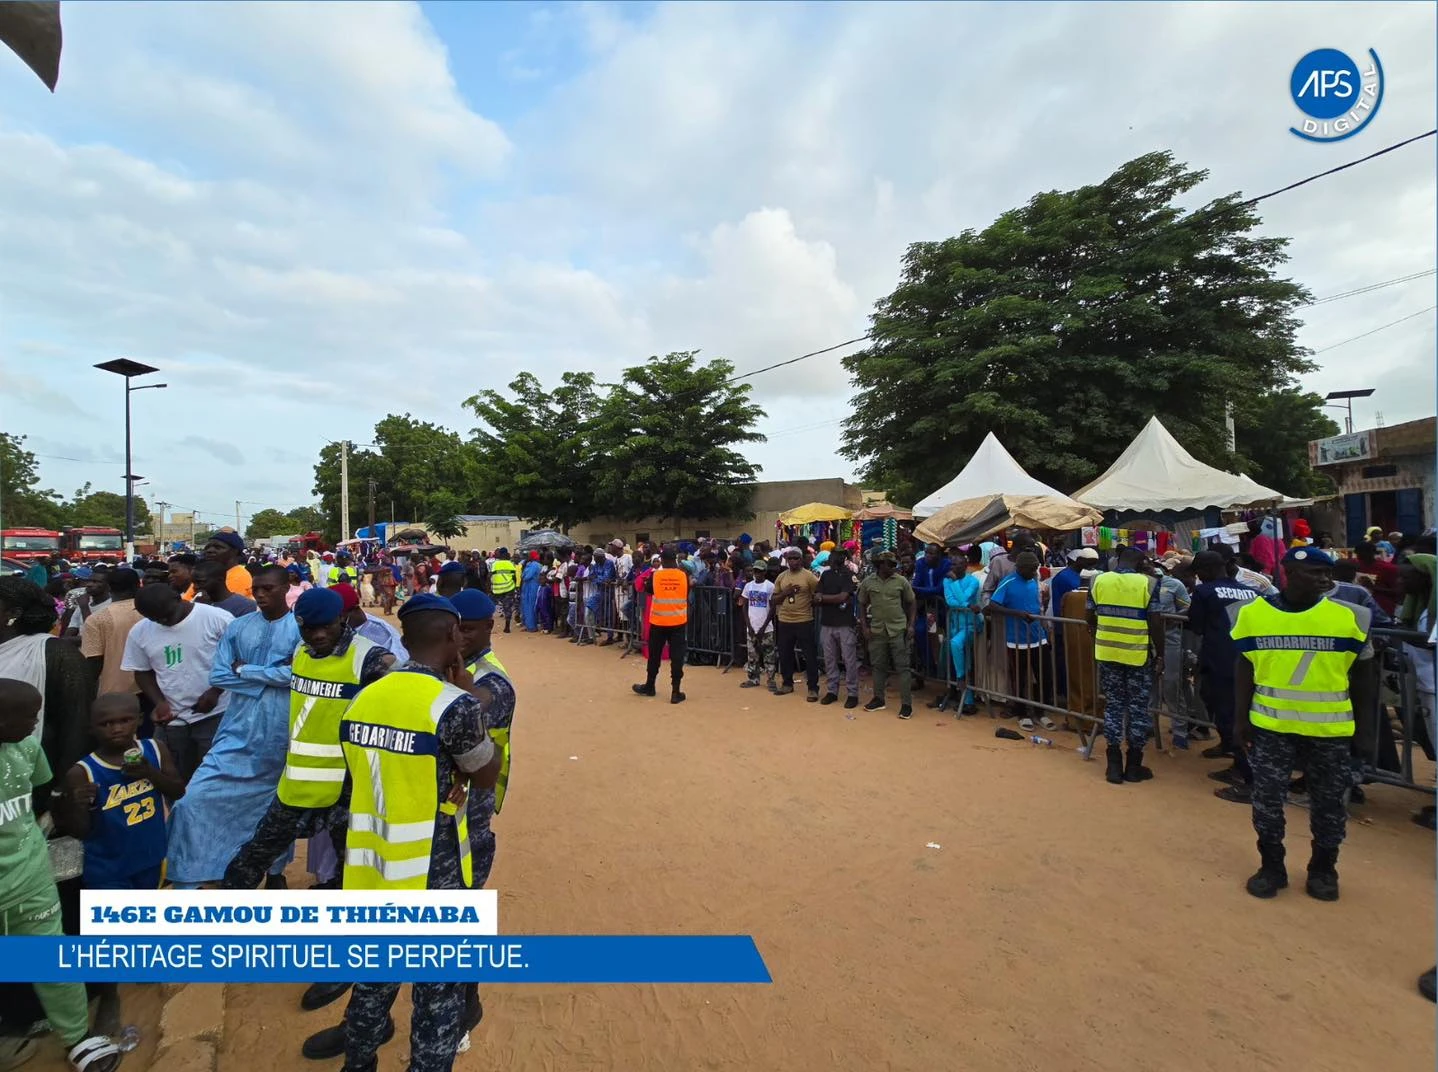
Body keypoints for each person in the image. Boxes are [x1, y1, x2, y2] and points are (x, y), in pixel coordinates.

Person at [335, 594, 502, 1072]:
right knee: (438, 988)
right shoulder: (453, 705)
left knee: (374, 976)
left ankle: (359, 1062)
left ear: (404, 640)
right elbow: (484, 773)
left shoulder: (365, 696)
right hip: (435, 865)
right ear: (453, 637)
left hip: (371, 860)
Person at [1232, 547, 1374, 900]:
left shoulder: (1351, 617)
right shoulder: (1251, 614)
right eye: (1315, 573)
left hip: (1330, 731)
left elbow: (1364, 679)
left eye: (1327, 573)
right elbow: (1245, 667)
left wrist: (1367, 732)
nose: (1326, 579)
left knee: (1328, 804)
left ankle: (1324, 868)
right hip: (1270, 726)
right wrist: (1239, 719)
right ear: (1289, 575)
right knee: (1267, 801)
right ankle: (1271, 865)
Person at [0, 680, 126, 1072]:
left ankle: (76, 1036)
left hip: (30, 876)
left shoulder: (25, 748)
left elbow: (40, 795)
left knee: (52, 960)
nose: (37, 721)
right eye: (28, 715)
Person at [165, 566, 298, 889]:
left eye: (268, 588)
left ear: (285, 589)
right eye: (256, 589)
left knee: (275, 807)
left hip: (282, 730)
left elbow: (299, 676)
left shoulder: (301, 628)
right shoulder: (239, 627)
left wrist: (248, 671)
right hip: (237, 729)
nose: (261, 595)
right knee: (193, 800)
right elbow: (219, 676)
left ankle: (275, 870)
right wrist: (270, 675)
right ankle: (192, 871)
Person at [59, 692, 183, 890]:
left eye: (125, 720)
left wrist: (150, 773)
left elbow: (178, 792)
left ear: (140, 719)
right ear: (91, 728)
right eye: (106, 724)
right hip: (107, 869)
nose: (116, 729)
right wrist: (78, 805)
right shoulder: (82, 771)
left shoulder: (155, 749)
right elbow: (80, 831)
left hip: (151, 858)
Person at [119, 583, 232, 782]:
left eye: (166, 615)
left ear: (178, 599)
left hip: (217, 714)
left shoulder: (217, 619)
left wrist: (215, 691)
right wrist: (160, 702)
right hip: (174, 720)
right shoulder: (140, 632)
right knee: (172, 774)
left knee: (214, 775)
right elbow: (142, 672)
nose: (162, 621)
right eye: (154, 618)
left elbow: (237, 659)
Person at [1088, 547, 1162, 784]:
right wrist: (1160, 653)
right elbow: (1156, 621)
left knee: (1113, 706)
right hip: (1137, 654)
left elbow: (1089, 615)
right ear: (1141, 563)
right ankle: (1133, 765)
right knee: (1138, 709)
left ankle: (1113, 764)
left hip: (1107, 651)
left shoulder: (1097, 580)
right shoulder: (1149, 583)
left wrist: (1099, 634)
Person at [986, 550, 1055, 732]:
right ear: (1021, 568)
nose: (1034, 572)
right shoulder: (1008, 582)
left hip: (1038, 636)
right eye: (1031, 569)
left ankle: (1041, 711)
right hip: (1017, 639)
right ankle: (1022, 713)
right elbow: (993, 605)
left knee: (1044, 676)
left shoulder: (1033, 580)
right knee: (1020, 678)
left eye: (1035, 569)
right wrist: (1016, 614)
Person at [858, 551, 916, 718]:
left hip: (897, 629)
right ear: (880, 565)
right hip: (877, 630)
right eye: (889, 564)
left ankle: (906, 705)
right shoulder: (868, 582)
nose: (892, 567)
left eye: (893, 564)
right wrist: (864, 627)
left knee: (903, 668)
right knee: (878, 666)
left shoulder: (901, 581)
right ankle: (878, 699)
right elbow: (861, 604)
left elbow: (911, 602)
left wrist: (911, 625)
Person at [79, 568, 143, 714]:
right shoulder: (150, 611)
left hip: (114, 693)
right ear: (138, 585)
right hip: (152, 688)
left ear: (108, 587)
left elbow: (93, 661)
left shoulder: (97, 619)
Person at [633, 547, 689, 704]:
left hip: (658, 622)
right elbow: (686, 593)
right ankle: (676, 692)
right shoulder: (683, 576)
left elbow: (649, 590)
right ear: (676, 560)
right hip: (678, 622)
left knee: (654, 656)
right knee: (677, 658)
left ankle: (650, 686)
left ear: (663, 560)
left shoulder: (656, 575)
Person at [934, 545, 983, 714]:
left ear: (965, 565)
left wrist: (955, 584)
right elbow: (951, 602)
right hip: (954, 624)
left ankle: (961, 678)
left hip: (971, 625)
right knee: (963, 658)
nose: (954, 567)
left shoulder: (973, 581)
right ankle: (967, 700)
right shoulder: (947, 580)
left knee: (956, 645)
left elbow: (964, 597)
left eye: (957, 564)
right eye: (952, 565)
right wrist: (967, 605)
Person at [768, 548, 821, 701]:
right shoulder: (781, 577)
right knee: (785, 654)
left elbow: (818, 593)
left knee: (809, 656)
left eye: (796, 558)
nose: (793, 561)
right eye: (790, 558)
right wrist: (786, 592)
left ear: (801, 559)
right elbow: (774, 600)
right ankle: (787, 684)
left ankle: (812, 688)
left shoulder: (809, 576)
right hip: (784, 620)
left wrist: (813, 602)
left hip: (804, 621)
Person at [814, 546, 860, 709]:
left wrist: (824, 599)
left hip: (845, 623)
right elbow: (817, 596)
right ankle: (832, 691)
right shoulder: (825, 575)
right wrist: (833, 599)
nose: (833, 558)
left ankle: (852, 693)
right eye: (833, 555)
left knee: (849, 660)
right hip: (827, 622)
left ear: (842, 558)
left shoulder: (850, 576)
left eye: (837, 555)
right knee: (830, 660)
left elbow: (843, 596)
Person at [910, 543, 951, 683]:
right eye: (926, 552)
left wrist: (920, 590)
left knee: (947, 638)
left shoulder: (946, 564)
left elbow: (940, 589)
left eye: (931, 553)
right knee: (921, 631)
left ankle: (947, 672)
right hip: (929, 610)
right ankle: (929, 667)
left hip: (944, 608)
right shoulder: (921, 563)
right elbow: (917, 582)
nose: (928, 556)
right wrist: (920, 590)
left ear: (939, 554)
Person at [738, 561, 777, 691]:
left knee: (769, 655)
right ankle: (753, 678)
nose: (757, 574)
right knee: (752, 655)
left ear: (765, 572)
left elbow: (772, 608)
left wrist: (764, 626)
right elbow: (744, 605)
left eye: (760, 571)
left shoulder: (770, 586)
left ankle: (771, 679)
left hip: (766, 628)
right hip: (752, 626)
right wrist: (749, 625)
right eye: (755, 571)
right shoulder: (749, 586)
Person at [191, 559, 258, 618]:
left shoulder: (245, 605)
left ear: (220, 580)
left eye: (201, 582)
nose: (195, 587)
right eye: (193, 583)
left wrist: (205, 608)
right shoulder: (197, 601)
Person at [1351, 541, 1402, 616]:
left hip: (1382, 610)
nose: (1360, 557)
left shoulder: (1388, 569)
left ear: (1373, 553)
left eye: (1364, 554)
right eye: (1359, 554)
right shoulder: (1354, 566)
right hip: (1360, 608)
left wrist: (1373, 587)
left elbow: (1398, 591)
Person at [199, 530, 253, 599]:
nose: (209, 550)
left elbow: (223, 606)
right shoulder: (210, 574)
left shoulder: (238, 576)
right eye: (207, 547)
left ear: (234, 551)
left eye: (218, 547)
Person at [488, 549, 520, 634]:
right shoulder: (510, 564)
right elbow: (514, 577)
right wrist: (515, 587)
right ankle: (507, 627)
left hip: (496, 589)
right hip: (508, 588)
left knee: (490, 607)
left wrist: (490, 587)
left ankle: (488, 626)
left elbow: (490, 576)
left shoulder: (494, 564)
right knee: (507, 608)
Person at [520, 552, 543, 633]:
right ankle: (528, 624)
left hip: (532, 587)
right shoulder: (531, 564)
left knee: (530, 606)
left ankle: (532, 626)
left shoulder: (534, 565)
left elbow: (526, 576)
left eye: (529, 555)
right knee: (527, 606)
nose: (528, 557)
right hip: (529, 587)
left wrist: (524, 574)